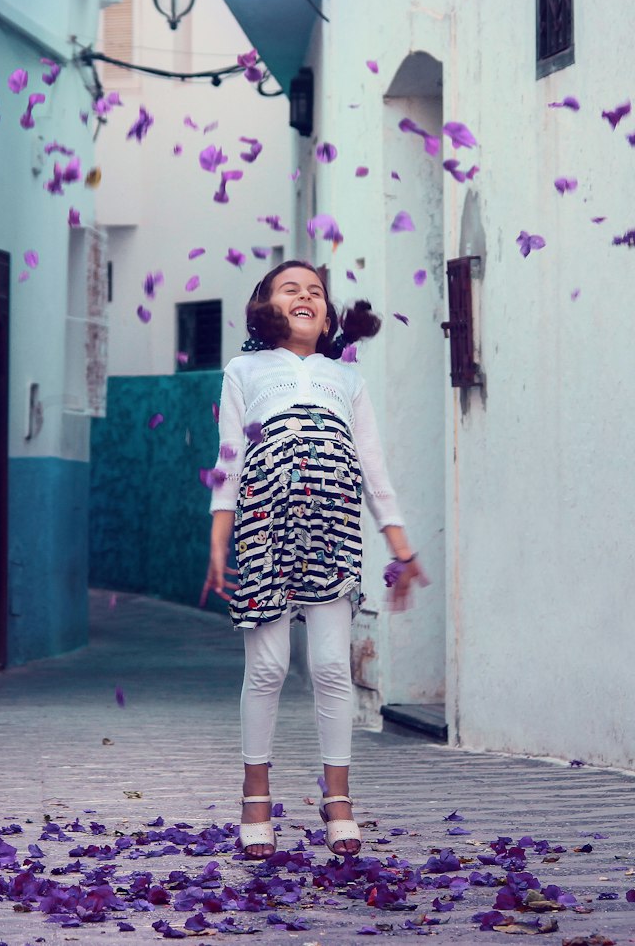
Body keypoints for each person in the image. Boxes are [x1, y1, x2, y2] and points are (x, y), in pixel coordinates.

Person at [202, 261, 426, 860]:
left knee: (331, 668)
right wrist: (220, 539)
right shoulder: (243, 370)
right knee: (269, 669)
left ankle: (339, 799)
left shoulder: (344, 378)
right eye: (290, 289)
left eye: (316, 292)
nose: (306, 296)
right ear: (264, 306)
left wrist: (401, 546)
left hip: (332, 531)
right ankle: (255, 796)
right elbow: (229, 459)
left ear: (328, 315)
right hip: (262, 530)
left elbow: (372, 466)